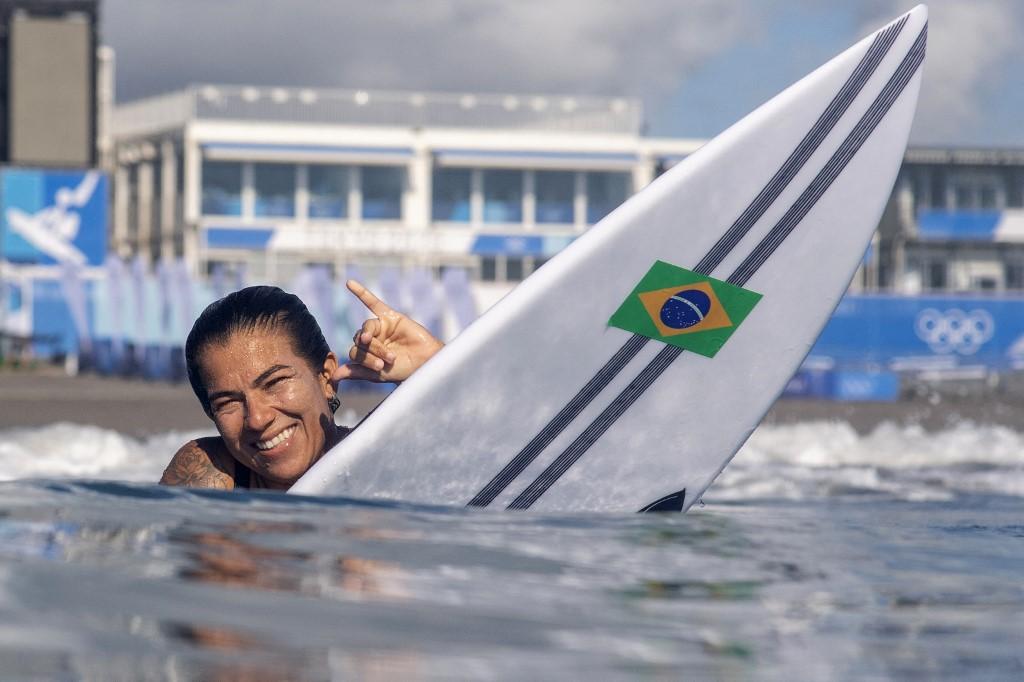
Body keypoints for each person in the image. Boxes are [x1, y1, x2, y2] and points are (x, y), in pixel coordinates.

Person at [159, 280, 443, 490]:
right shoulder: (210, 473)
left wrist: (441, 367)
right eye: (227, 402)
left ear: (326, 377)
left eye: (275, 382)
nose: (257, 419)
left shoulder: (386, 460)